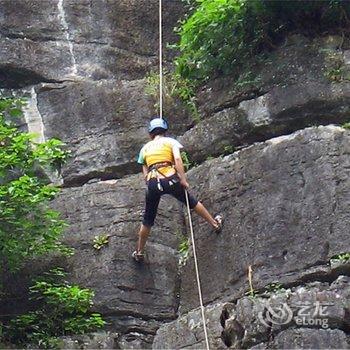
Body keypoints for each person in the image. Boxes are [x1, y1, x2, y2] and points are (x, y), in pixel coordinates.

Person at [132, 117, 222, 262]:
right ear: (165, 131)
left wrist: (151, 186)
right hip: (170, 179)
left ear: (151, 133)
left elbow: (145, 172)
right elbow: (178, 160)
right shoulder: (171, 142)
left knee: (148, 219)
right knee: (191, 202)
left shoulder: (145, 148)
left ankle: (139, 251)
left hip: (153, 182)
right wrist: (183, 179)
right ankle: (214, 224)